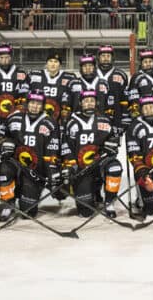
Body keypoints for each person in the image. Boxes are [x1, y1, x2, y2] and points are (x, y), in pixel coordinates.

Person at [0, 91, 62, 220]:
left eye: (38, 104)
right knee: (4, 169)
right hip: (15, 163)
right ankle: (8, 203)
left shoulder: (51, 123)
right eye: (32, 103)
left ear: (43, 106)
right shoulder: (13, 118)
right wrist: (5, 143)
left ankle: (23, 192)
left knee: (28, 213)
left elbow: (52, 151)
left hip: (35, 169)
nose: (35, 106)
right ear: (27, 104)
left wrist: (52, 174)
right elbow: (0, 137)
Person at [61, 90, 123, 218]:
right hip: (82, 168)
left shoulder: (104, 120)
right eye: (86, 101)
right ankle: (93, 192)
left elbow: (114, 141)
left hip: (100, 163)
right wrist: (70, 164)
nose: (89, 103)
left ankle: (109, 202)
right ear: (81, 103)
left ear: (96, 103)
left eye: (92, 101)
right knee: (85, 212)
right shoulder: (71, 121)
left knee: (115, 167)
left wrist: (112, 145)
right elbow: (66, 146)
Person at [24, 52, 76, 124]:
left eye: (56, 62)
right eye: (50, 61)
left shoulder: (70, 77)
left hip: (59, 118)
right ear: (46, 63)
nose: (53, 64)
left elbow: (74, 98)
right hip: (36, 116)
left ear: (60, 65)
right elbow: (24, 93)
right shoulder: (34, 74)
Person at [96, 45, 132, 130]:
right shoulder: (92, 74)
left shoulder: (121, 74)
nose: (105, 58)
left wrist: (124, 118)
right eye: (103, 56)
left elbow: (125, 98)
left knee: (113, 143)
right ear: (98, 58)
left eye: (108, 56)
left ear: (112, 58)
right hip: (95, 118)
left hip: (116, 118)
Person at [67, 53, 112, 118]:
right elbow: (67, 105)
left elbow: (109, 106)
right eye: (85, 66)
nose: (88, 68)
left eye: (90, 65)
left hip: (99, 121)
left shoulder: (104, 83)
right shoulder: (73, 83)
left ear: (94, 67)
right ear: (80, 68)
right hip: (77, 122)